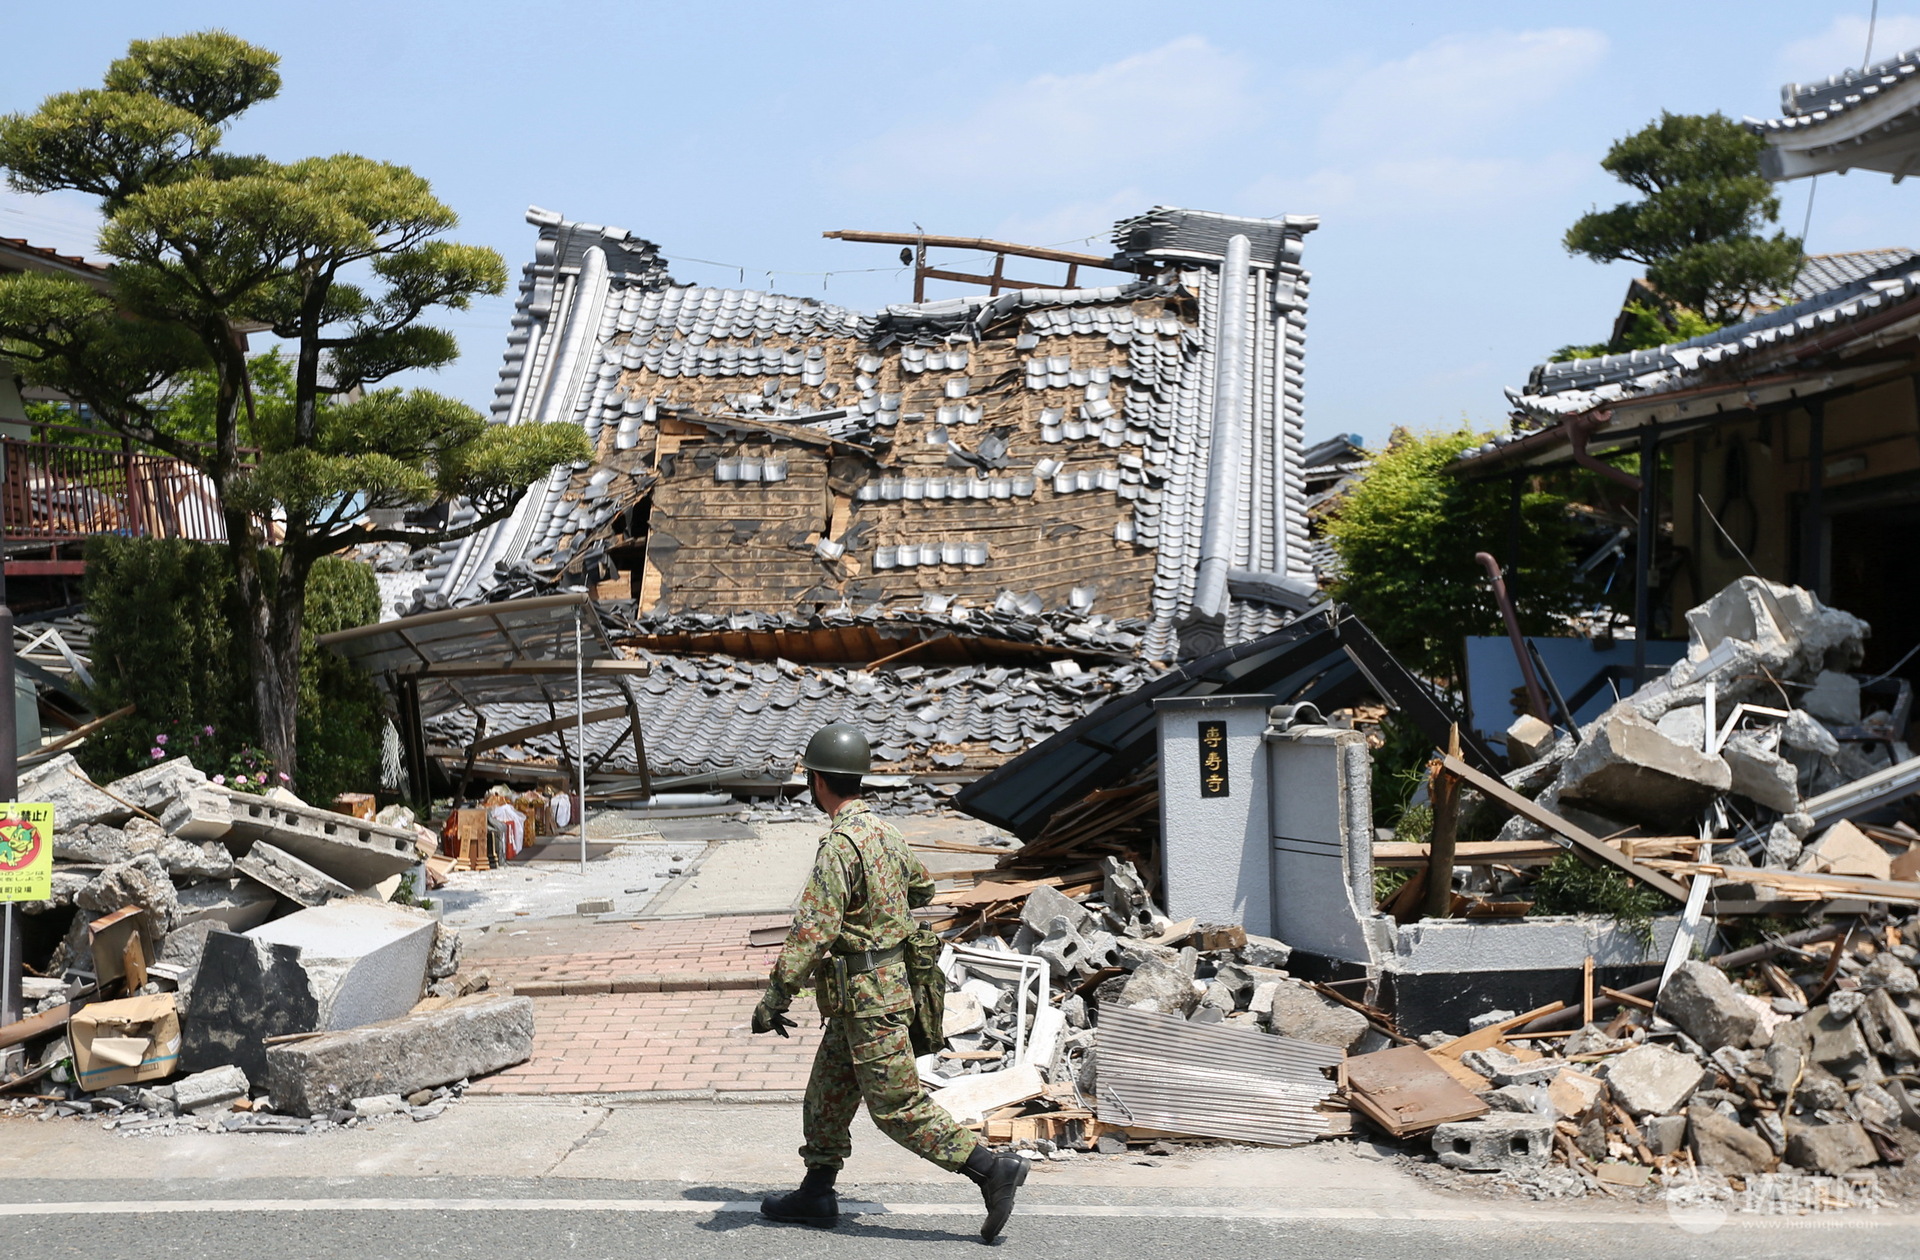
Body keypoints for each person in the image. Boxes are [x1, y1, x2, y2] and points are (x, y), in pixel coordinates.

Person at [753, 722, 1027, 1242]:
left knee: (896, 1107)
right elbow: (920, 888)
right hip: (869, 995)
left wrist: (776, 996)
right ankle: (817, 1190)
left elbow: (813, 930)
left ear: (818, 781)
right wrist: (882, 912)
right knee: (828, 1092)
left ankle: (992, 1170)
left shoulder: (839, 846)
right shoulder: (886, 833)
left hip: (871, 999)